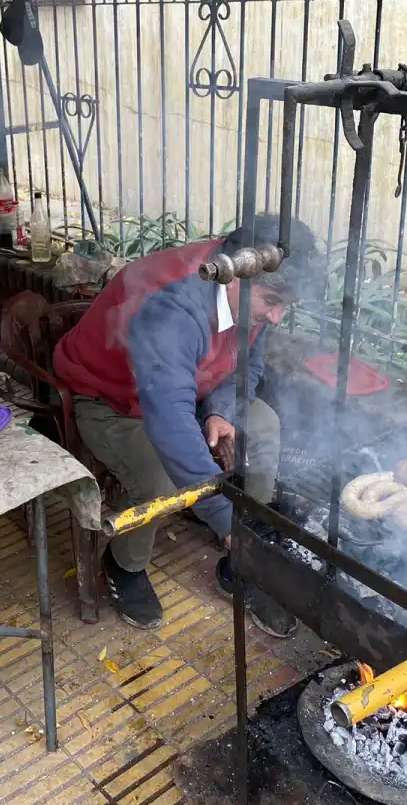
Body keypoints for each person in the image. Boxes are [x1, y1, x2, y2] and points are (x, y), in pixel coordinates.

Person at [54, 214, 323, 636]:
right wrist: (220, 514)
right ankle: (124, 564)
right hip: (112, 397)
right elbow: (169, 422)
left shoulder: (251, 276)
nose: (276, 317)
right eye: (272, 302)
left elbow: (248, 364)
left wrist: (220, 411)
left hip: (192, 384)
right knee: (160, 474)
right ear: (234, 273)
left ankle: (241, 564)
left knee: (263, 425)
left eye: (285, 307)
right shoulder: (171, 304)